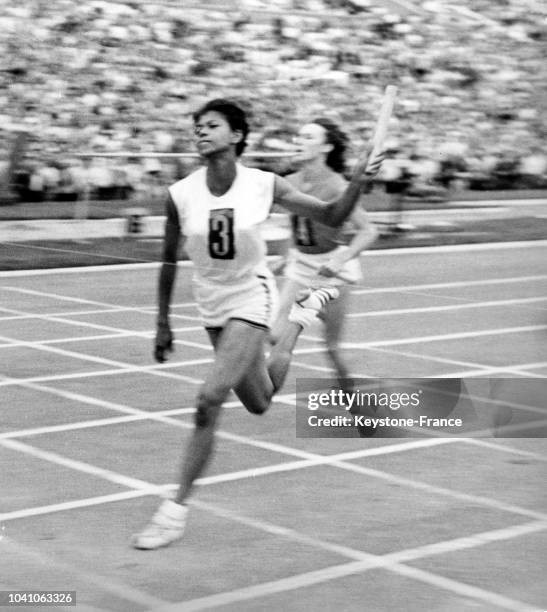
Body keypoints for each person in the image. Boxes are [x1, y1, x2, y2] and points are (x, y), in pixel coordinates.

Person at [132, 99, 383, 549]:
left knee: (209, 398)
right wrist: (162, 322)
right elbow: (168, 258)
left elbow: (332, 216)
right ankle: (289, 340)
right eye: (197, 126)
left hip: (252, 295)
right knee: (260, 400)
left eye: (212, 125)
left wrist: (359, 183)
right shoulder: (181, 194)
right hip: (209, 304)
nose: (201, 132)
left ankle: (173, 511)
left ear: (236, 136)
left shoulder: (264, 185)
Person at [270, 118, 378, 388]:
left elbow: (368, 231)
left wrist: (341, 258)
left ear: (326, 147)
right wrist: (285, 257)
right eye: (299, 137)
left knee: (331, 348)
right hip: (301, 267)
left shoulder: (337, 186)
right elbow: (292, 225)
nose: (299, 142)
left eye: (308, 137)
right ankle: (262, 392)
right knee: (276, 334)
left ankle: (352, 393)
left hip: (332, 274)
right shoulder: (288, 182)